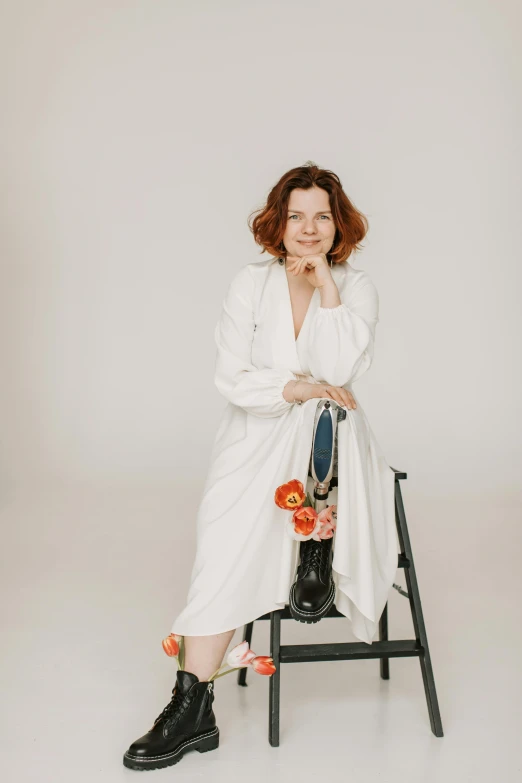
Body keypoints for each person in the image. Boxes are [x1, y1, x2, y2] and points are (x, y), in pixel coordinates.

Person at [123, 161, 399, 771]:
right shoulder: (250, 283)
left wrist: (326, 284)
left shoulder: (356, 288)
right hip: (254, 441)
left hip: (328, 442)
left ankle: (316, 550)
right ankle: (192, 707)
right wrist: (295, 388)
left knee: (329, 414)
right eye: (297, 216)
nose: (309, 229)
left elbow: (340, 371)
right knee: (224, 544)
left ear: (338, 224)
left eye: (321, 217)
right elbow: (233, 378)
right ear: (277, 222)